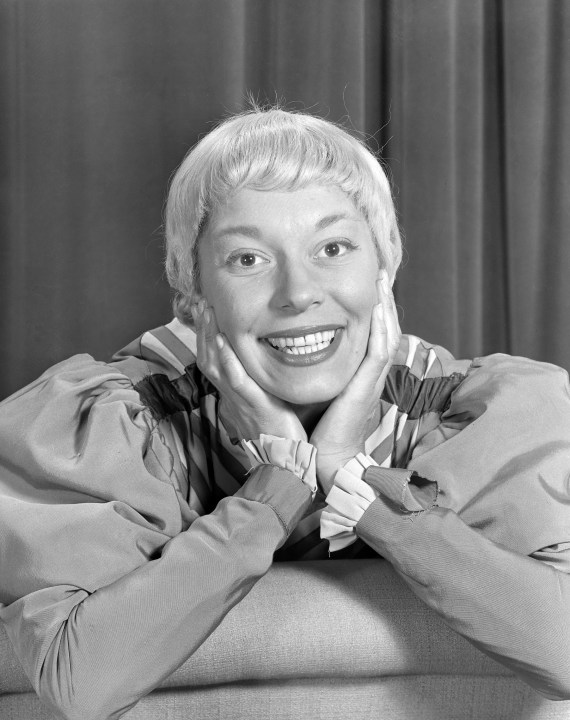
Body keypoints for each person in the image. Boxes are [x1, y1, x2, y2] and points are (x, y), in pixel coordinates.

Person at [1, 107, 569, 720]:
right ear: (191, 289)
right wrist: (277, 490)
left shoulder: (485, 411)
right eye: (248, 259)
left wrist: (354, 479)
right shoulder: (111, 422)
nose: (298, 293)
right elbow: (80, 677)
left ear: (387, 260)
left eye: (333, 247)